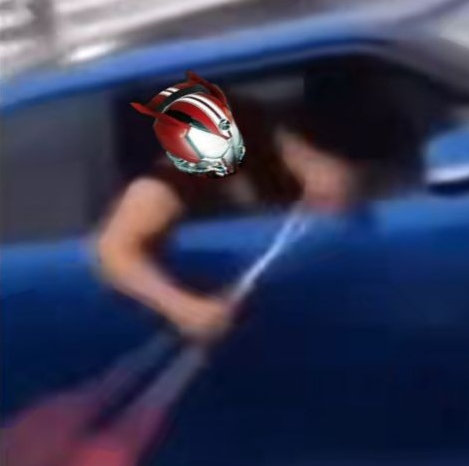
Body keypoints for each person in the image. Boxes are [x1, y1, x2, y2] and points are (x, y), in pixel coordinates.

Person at [95, 84, 357, 344]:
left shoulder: (261, 137)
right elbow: (115, 249)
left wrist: (324, 177)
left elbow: (325, 176)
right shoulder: (174, 176)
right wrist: (183, 307)